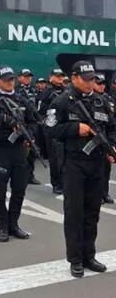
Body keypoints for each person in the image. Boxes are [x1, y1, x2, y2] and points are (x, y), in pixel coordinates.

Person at [44, 60, 116, 278]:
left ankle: (89, 255)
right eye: (85, 80)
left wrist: (111, 145)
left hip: (96, 164)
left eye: (92, 79)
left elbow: (111, 127)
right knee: (74, 212)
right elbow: (50, 130)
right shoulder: (62, 101)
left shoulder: (101, 101)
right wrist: (76, 128)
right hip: (74, 163)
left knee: (92, 212)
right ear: (73, 78)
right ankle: (75, 259)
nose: (89, 83)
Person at [0, 66, 39, 242]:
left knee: (19, 190)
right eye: (6, 79)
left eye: (12, 79)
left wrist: (30, 135)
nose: (10, 82)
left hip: (18, 151)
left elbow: (34, 120)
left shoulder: (21, 99)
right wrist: (4, 118)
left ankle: (14, 225)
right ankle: (3, 227)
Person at [37, 68, 67, 194]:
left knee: (66, 157)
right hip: (52, 127)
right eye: (57, 76)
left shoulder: (67, 92)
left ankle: (66, 182)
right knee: (55, 158)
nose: (59, 78)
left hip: (66, 128)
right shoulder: (46, 93)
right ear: (51, 77)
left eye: (61, 76)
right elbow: (40, 111)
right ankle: (56, 184)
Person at [93, 73, 115, 204]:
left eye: (103, 83)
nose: (102, 86)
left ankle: (105, 193)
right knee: (96, 170)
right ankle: (97, 194)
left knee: (106, 168)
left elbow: (111, 122)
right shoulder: (89, 100)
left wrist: (112, 143)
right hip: (93, 138)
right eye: (99, 83)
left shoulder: (107, 99)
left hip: (106, 137)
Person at [17, 68, 41, 185]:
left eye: (29, 76)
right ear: (19, 78)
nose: (28, 79)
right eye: (25, 76)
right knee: (20, 152)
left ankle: (30, 175)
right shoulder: (16, 91)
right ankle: (20, 175)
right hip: (20, 123)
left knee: (32, 150)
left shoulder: (34, 90)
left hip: (32, 122)